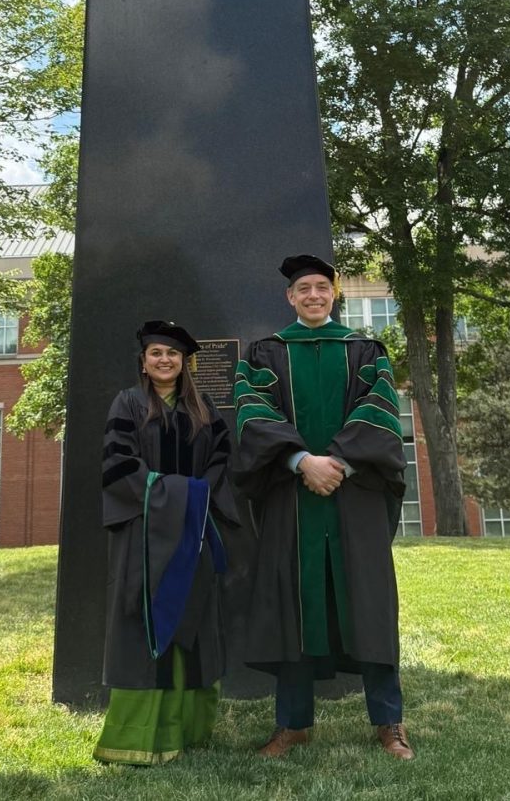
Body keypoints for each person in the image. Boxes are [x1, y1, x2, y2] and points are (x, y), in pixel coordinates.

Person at [233, 254, 413, 760]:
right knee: (294, 603)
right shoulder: (264, 353)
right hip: (292, 498)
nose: (313, 295)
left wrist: (338, 464)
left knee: (370, 605)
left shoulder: (367, 351)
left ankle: (389, 721)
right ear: (290, 297)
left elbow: (379, 409)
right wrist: (299, 461)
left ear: (334, 295)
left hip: (354, 498)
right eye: (303, 289)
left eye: (321, 288)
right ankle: (292, 725)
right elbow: (252, 411)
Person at [93, 319, 238, 766]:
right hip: (144, 534)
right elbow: (117, 464)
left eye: (172, 354)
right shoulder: (129, 403)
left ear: (184, 362)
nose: (164, 360)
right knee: (145, 620)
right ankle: (139, 736)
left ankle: (189, 731)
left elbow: (222, 460)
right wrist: (173, 496)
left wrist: (197, 501)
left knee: (191, 619)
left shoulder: (203, 407)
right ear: (144, 360)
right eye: (157, 353)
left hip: (192, 532)